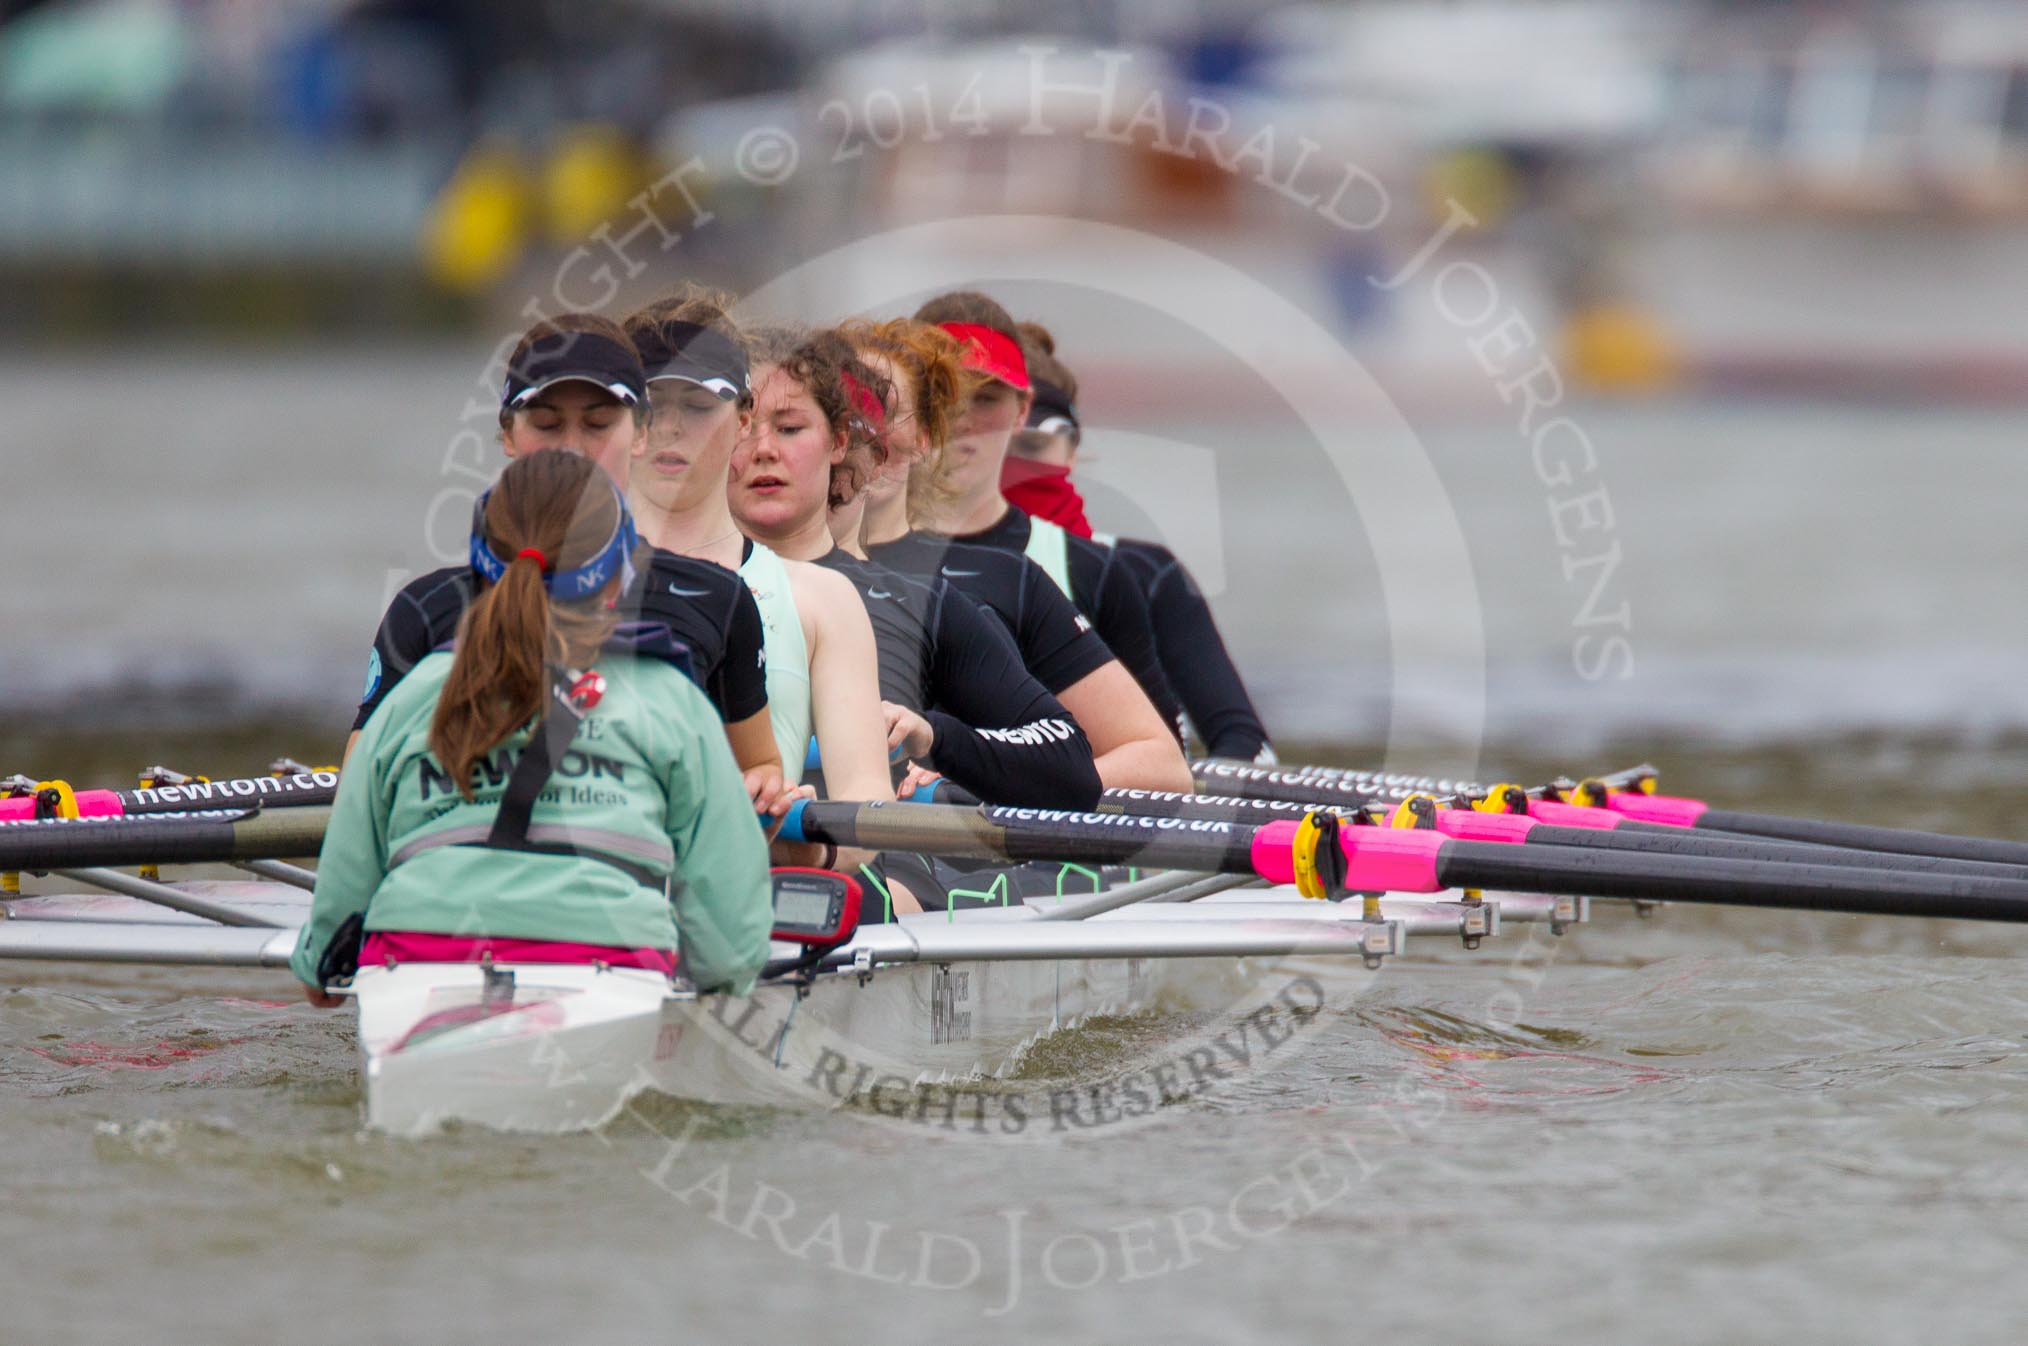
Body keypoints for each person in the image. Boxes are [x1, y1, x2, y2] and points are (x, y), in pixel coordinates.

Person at [293, 451, 774, 1004]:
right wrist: (714, 981)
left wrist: (322, 968)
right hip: (610, 970)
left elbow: (322, 976)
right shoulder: (672, 702)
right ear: (619, 578)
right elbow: (732, 951)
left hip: (413, 969)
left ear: (479, 572)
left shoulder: (414, 696)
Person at [348, 312, 791, 818]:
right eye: (548, 424)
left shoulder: (719, 599)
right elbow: (359, 801)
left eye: (599, 423)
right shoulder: (424, 610)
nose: (573, 448)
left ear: (642, 433)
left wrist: (762, 793)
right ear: (509, 436)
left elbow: (760, 768)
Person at [729, 324, 1102, 812]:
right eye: (743, 428)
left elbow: (1071, 764)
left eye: (790, 428)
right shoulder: (664, 591)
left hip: (881, 872)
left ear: (839, 442)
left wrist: (934, 735)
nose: (764, 450)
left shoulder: (918, 604)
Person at [841, 317, 1192, 793]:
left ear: (925, 437)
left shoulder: (1004, 579)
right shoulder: (753, 569)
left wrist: (979, 775)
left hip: (967, 853)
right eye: (849, 414)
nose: (869, 433)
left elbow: (1164, 769)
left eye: (887, 411)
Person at [621, 288, 894, 876]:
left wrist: (806, 846)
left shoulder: (821, 598)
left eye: (696, 407)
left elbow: (869, 814)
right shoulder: (547, 579)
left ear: (744, 418)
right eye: (650, 406)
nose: (669, 428)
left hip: (747, 901)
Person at [908, 291, 1185, 739]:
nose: (962, 419)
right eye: (944, 394)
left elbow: (1167, 764)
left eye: (985, 398)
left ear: (1022, 411)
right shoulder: (844, 552)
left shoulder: (1093, 573)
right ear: (906, 403)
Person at [1010, 322, 1276, 763]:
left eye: (1032, 448)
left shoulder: (1145, 574)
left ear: (1072, 451)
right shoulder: (904, 564)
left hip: (1117, 800)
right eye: (1000, 450)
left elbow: (1249, 748)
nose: (1014, 469)